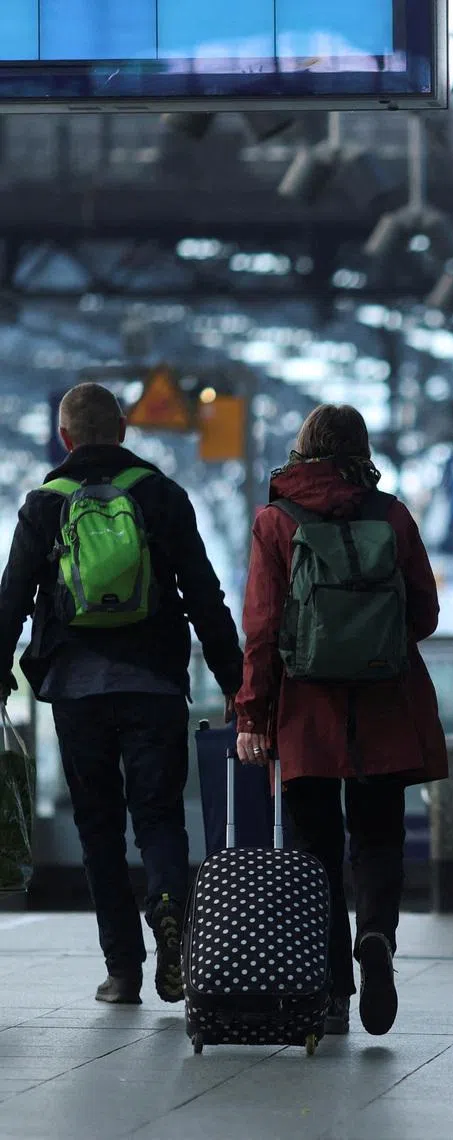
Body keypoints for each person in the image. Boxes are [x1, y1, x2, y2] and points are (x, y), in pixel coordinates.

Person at [0, 383, 243, 1005]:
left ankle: (123, 970)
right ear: (124, 431)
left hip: (77, 692)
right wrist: (239, 684)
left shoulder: (43, 505)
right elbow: (206, 598)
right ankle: (170, 919)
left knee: (98, 826)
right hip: (155, 685)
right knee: (158, 816)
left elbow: (10, 605)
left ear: (66, 438)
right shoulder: (162, 496)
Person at [235, 404, 448, 1037]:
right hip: (385, 703)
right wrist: (374, 642)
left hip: (306, 713)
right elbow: (426, 613)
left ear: (302, 449)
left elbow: (263, 628)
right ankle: (376, 933)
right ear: (362, 450)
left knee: (316, 850)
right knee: (379, 836)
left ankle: (331, 991)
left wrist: (252, 713)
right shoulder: (393, 515)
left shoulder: (276, 520)